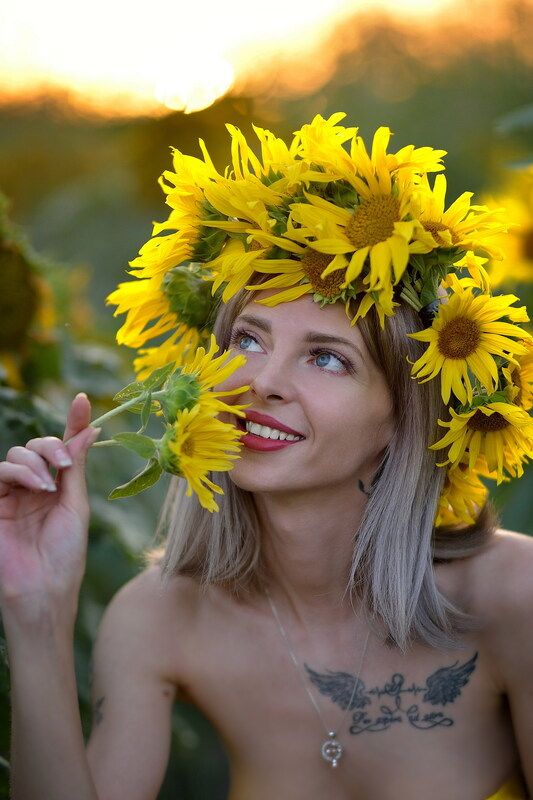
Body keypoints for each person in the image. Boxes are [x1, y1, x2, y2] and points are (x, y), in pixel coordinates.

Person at [1, 113, 533, 800]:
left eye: (325, 357)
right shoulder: (162, 617)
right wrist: (35, 609)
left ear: (403, 418)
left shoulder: (509, 597)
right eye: (248, 340)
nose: (261, 381)